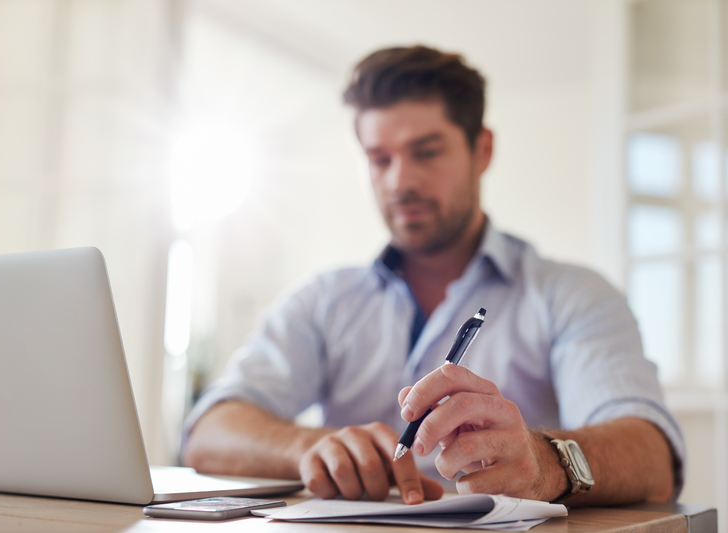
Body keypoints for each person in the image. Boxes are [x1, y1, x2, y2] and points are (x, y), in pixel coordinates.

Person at [181, 45, 684, 507]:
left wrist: (544, 463)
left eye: (426, 152)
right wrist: (310, 447)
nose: (400, 181)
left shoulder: (571, 295)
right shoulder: (322, 300)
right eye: (379, 159)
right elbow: (209, 431)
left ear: (481, 151)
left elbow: (653, 457)